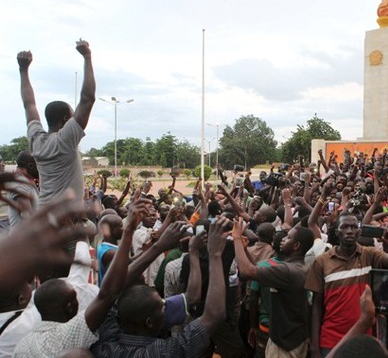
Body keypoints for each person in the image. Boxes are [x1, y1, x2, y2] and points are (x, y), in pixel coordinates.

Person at [13, 195, 151, 357]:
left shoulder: (25, 329)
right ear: (71, 307)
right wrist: (134, 235)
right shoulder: (76, 302)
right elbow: (107, 294)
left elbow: (82, 252)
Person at [90, 216, 230, 357]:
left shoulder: (106, 341)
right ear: (149, 322)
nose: (166, 305)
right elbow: (213, 316)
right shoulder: (161, 352)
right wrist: (215, 254)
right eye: (163, 306)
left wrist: (163, 247)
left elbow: (111, 292)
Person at [305, 212, 388, 357]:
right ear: (337, 231)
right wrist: (314, 346)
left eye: (353, 227)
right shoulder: (322, 262)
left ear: (359, 231)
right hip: (331, 340)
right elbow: (316, 305)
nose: (349, 231)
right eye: (344, 227)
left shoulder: (369, 254)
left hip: (362, 340)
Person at [17, 39, 95, 206]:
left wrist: (23, 70)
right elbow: (88, 99)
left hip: (44, 214)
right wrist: (87, 57)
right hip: (64, 220)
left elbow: (29, 104)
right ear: (66, 120)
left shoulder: (36, 140)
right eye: (73, 116)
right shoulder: (65, 140)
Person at [233, 217, 314, 357]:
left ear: (296, 246)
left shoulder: (287, 271)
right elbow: (258, 270)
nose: (283, 239)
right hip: (294, 337)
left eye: (288, 238)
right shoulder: (301, 267)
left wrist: (236, 239)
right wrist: (245, 250)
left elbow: (247, 272)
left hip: (284, 344)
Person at [6, 151, 39, 229]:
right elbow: (28, 217)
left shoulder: (25, 181)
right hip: (24, 239)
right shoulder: (19, 184)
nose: (40, 168)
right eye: (38, 165)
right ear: (30, 165)